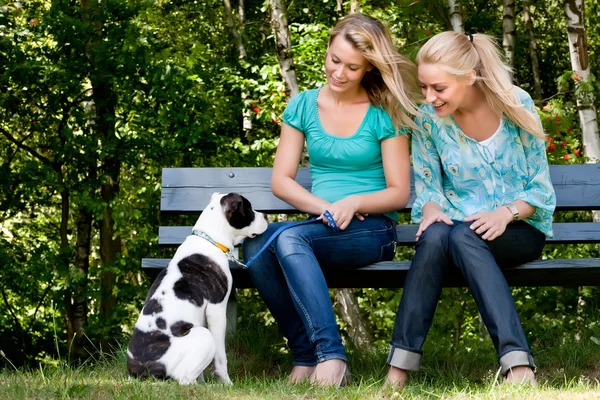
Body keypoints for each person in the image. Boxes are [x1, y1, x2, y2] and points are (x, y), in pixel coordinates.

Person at [242, 13, 419, 387]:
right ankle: (306, 356)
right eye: (334, 60)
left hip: (373, 230)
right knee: (257, 245)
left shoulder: (384, 112)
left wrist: (353, 203)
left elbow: (398, 192)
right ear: (326, 50)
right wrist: (325, 208)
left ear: (369, 67)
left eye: (352, 67)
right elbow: (281, 180)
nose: (338, 72)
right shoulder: (304, 106)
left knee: (288, 238)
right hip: (321, 225)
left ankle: (331, 358)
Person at [385, 31, 556, 388]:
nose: (429, 98)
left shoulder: (516, 104)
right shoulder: (430, 120)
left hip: (519, 228)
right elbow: (430, 187)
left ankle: (518, 367)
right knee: (434, 237)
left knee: (463, 235)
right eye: (425, 87)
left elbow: (540, 191)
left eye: (439, 88)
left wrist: (504, 213)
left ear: (469, 77)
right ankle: (397, 373)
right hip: (457, 231)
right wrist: (431, 209)